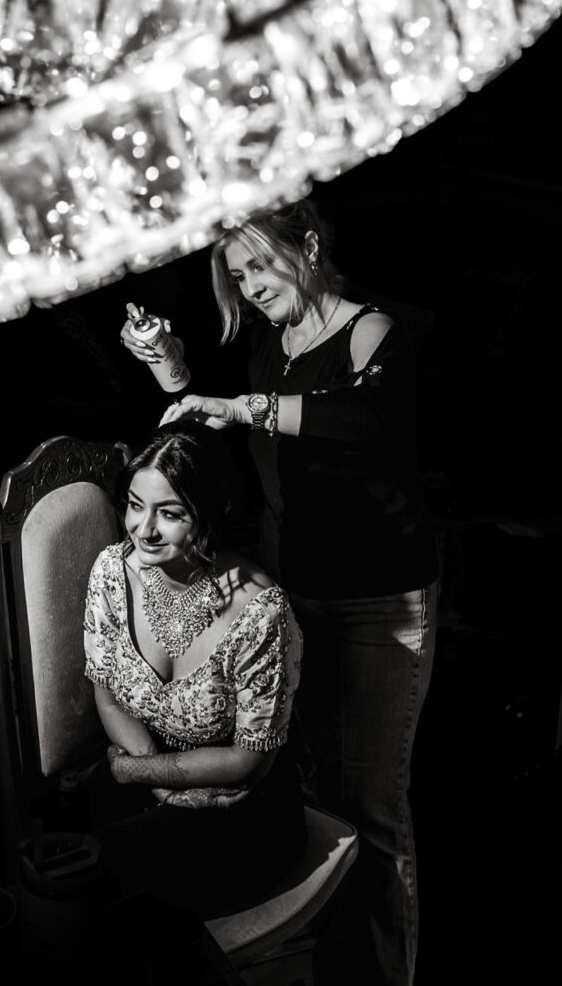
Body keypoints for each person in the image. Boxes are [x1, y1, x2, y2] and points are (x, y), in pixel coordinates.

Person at [119, 198, 441, 985]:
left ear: (309, 243)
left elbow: (364, 417)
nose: (251, 286)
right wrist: (170, 366)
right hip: (295, 595)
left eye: (260, 265)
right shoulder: (272, 347)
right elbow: (211, 436)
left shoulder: (371, 330)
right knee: (308, 798)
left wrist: (242, 406)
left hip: (379, 605)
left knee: (372, 807)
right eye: (237, 275)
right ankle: (325, 966)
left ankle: (388, 975)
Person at [83, 422, 306, 929]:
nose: (143, 529)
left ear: (212, 512)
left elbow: (249, 762)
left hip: (240, 812)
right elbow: (108, 693)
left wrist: (134, 772)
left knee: (111, 878)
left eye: (170, 513)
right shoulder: (111, 572)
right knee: (66, 853)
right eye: (135, 505)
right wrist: (153, 776)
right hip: (149, 782)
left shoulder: (259, 610)